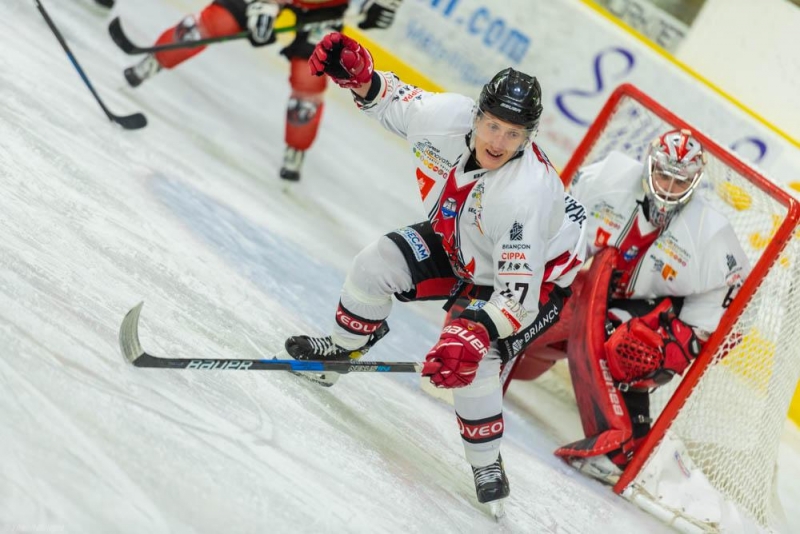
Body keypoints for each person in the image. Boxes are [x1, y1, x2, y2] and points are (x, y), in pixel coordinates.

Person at [282, 31, 588, 512]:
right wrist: (359, 76)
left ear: (528, 138)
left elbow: (515, 299)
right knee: (375, 262)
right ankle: (339, 356)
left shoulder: (526, 193)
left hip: (540, 281)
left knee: (475, 360)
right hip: (462, 241)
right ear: (476, 116)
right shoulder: (444, 117)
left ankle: (486, 463)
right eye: (492, 126)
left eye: (513, 134)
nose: (498, 141)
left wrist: (476, 332)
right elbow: (386, 98)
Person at [508, 129, 751, 482]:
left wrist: (681, 345)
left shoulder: (712, 237)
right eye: (663, 174)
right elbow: (556, 240)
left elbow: (737, 311)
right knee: (544, 310)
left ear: (695, 182)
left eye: (679, 180)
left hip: (651, 310)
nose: (668, 186)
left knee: (633, 348)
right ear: (649, 164)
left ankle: (626, 445)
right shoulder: (606, 180)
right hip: (595, 286)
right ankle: (500, 349)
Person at [123, 0, 403, 181]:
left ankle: (296, 150)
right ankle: (154, 61)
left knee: (309, 77)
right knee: (216, 22)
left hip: (324, 8)